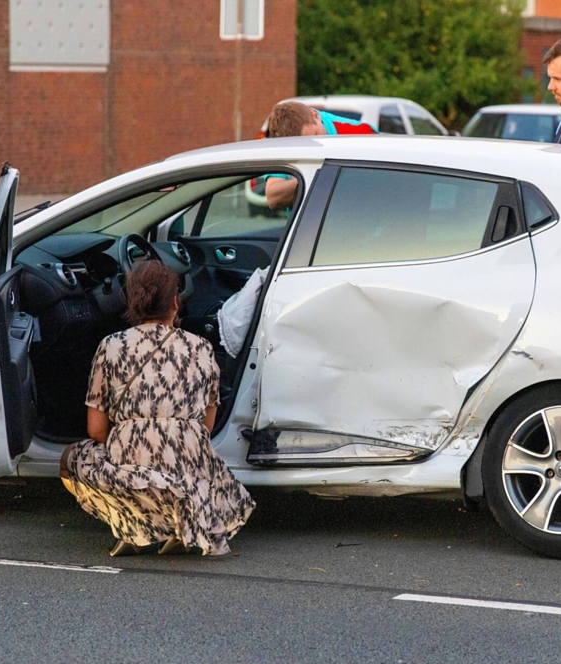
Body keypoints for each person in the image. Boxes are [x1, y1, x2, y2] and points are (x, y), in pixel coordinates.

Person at [60, 260, 255, 557]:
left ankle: (131, 523)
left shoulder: (111, 346)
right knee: (193, 456)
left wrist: (134, 434)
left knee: (71, 458)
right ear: (175, 302)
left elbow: (96, 430)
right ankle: (178, 525)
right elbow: (206, 425)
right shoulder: (201, 348)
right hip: (188, 459)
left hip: (130, 459)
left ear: (133, 302)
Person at [264, 101, 378, 209]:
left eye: (316, 136)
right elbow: (274, 198)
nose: (313, 151)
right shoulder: (284, 143)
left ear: (316, 116)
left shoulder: (361, 134)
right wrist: (319, 176)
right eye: (303, 149)